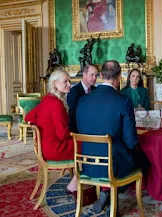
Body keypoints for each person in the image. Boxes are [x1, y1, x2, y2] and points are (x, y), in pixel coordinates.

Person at [76, 60, 149, 214]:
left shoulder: (82, 100)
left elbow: (82, 130)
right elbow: (131, 141)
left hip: (87, 164)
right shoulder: (123, 101)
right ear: (120, 78)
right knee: (144, 160)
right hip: (113, 165)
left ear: (101, 75)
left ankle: (107, 194)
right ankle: (109, 193)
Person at [25, 69, 78, 192]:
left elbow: (28, 117)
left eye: (69, 81)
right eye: (65, 81)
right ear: (55, 83)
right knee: (89, 146)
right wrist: (77, 135)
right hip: (55, 149)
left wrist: (40, 126)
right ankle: (75, 183)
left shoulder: (46, 99)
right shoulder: (56, 103)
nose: (69, 84)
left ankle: (77, 179)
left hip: (44, 147)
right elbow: (62, 134)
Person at [67, 64, 98, 133]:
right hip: (78, 130)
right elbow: (73, 115)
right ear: (84, 74)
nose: (94, 78)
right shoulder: (74, 91)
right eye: (92, 75)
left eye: (96, 75)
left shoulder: (96, 90)